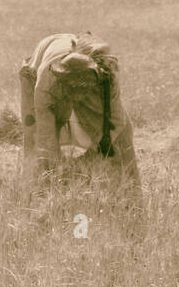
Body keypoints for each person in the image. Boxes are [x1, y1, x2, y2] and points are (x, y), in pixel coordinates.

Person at [19, 31, 140, 187]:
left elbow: (116, 122)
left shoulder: (107, 77)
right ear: (63, 80)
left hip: (84, 80)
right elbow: (45, 135)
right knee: (35, 141)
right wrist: (61, 171)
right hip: (37, 72)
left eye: (82, 89)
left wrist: (92, 156)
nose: (76, 98)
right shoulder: (47, 81)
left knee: (121, 140)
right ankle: (37, 191)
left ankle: (130, 195)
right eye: (72, 89)